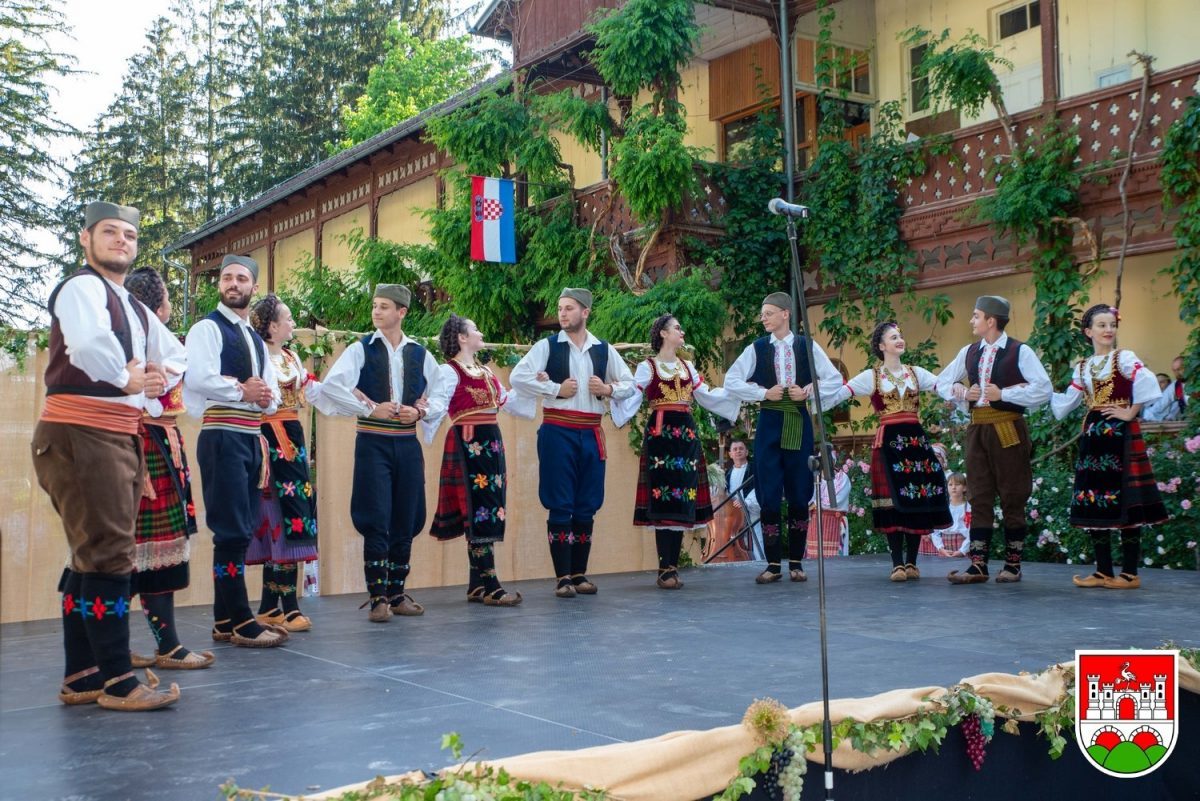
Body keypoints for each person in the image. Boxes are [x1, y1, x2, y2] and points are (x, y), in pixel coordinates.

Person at [32, 201, 181, 709]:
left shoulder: (136, 308)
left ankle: (84, 675)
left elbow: (174, 355)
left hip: (116, 434)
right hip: (81, 432)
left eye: (129, 235)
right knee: (109, 552)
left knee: (92, 552)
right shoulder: (81, 288)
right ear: (85, 239)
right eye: (110, 232)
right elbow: (89, 343)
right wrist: (126, 377)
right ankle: (118, 681)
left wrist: (157, 378)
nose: (121, 241)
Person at [319, 284, 445, 621]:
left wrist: (420, 412)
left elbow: (444, 389)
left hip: (406, 443)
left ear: (401, 312)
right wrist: (370, 408)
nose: (377, 312)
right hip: (373, 443)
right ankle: (378, 599)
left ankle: (397, 593)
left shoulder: (419, 353)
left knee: (406, 516)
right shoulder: (362, 349)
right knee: (376, 516)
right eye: (375, 306)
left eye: (385, 306)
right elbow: (333, 385)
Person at [184, 254, 288, 647]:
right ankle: (243, 620)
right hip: (223, 435)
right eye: (227, 277)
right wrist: (242, 390)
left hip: (249, 436)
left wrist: (260, 395)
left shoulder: (254, 339)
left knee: (240, 530)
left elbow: (273, 394)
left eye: (241, 278)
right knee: (230, 530)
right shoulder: (206, 329)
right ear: (219, 285)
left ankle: (224, 620)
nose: (232, 283)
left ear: (253, 287)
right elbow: (199, 376)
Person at [509, 287, 636, 597]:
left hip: (591, 432)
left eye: (569, 308)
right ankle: (563, 578)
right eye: (560, 308)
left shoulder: (603, 350)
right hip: (557, 431)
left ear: (585, 313)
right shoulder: (547, 346)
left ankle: (579, 574)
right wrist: (555, 389)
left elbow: (630, 384)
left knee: (586, 505)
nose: (562, 313)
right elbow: (517, 377)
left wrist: (606, 389)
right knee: (560, 504)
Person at [723, 291, 844, 585]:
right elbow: (731, 380)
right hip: (769, 420)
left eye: (768, 313)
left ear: (785, 314)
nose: (763, 318)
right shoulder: (758, 348)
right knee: (770, 493)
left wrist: (808, 391)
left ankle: (797, 563)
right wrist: (763, 393)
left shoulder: (806, 346)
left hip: (799, 421)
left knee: (800, 490)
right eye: (763, 313)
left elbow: (834, 379)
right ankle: (774, 564)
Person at [123, 267, 211, 670]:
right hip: (146, 447)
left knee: (140, 548)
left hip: (157, 446)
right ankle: (166, 646)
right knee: (145, 546)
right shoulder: (143, 348)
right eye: (169, 299)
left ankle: (138, 645)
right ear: (159, 306)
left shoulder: (150, 346)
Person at [613, 314, 740, 589]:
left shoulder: (687, 366)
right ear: (663, 334)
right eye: (677, 328)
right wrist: (611, 392)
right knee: (663, 499)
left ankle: (672, 568)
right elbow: (632, 394)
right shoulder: (648, 367)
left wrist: (734, 394)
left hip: (686, 435)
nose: (681, 331)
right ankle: (664, 569)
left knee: (682, 498)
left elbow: (705, 394)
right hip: (661, 435)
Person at [935, 295, 1052, 584]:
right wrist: (963, 393)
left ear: (991, 320)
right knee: (979, 495)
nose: (971, 320)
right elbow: (941, 382)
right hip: (977, 430)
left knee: (1013, 495)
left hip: (1008, 428)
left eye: (976, 316)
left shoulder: (1018, 351)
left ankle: (1013, 565)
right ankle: (978, 565)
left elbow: (1044, 389)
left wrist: (1005, 395)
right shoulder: (969, 352)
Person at [1050, 304, 1168, 589]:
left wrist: (1130, 412)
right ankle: (1103, 570)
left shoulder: (1124, 358)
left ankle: (1129, 573)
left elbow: (1147, 380)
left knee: (1125, 498)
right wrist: (1036, 389)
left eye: (1112, 324)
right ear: (1088, 331)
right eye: (1101, 325)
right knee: (1095, 498)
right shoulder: (1083, 367)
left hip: (1120, 437)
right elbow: (1066, 402)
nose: (1108, 330)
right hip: (1093, 439)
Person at [825, 322, 952, 580]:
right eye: (894, 337)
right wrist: (816, 397)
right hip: (889, 443)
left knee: (917, 497)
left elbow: (945, 387)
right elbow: (840, 394)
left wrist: (963, 392)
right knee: (893, 500)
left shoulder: (916, 373)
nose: (900, 340)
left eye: (900, 336)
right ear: (882, 346)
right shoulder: (871, 377)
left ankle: (912, 562)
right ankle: (897, 563)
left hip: (916, 443)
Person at [427, 314, 528, 606]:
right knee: (478, 510)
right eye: (475, 329)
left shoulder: (485, 372)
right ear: (461, 337)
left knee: (489, 507)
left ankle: (476, 584)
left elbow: (508, 401)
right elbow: (438, 403)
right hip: (469, 444)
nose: (480, 332)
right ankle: (492, 585)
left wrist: (538, 388)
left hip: (491, 444)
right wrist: (423, 411)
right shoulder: (449, 372)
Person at [247, 294, 325, 631]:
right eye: (288, 318)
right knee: (277, 516)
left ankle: (272, 604)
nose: (293, 323)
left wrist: (357, 396)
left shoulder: (292, 358)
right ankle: (285, 605)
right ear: (273, 325)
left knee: (296, 513)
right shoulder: (257, 357)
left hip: (293, 438)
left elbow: (314, 389)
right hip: (269, 440)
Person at [725, 439, 762, 560]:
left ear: (746, 452)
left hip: (750, 511)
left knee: (755, 538)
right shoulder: (727, 473)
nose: (738, 451)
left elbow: (760, 487)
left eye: (741, 448)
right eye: (735, 449)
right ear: (730, 454)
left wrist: (746, 502)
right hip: (734, 514)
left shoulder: (754, 470)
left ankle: (758, 561)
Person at [807, 457, 850, 559]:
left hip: (834, 521)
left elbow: (835, 501)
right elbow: (808, 499)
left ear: (833, 462)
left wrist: (816, 504)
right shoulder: (815, 477)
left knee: (835, 560)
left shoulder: (842, 478)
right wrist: (814, 504)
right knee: (813, 558)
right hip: (815, 522)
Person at [928, 473, 971, 558]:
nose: (953, 487)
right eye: (950, 484)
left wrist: (962, 550)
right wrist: (940, 548)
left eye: (957, 484)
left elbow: (971, 531)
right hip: (944, 546)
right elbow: (935, 530)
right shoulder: (942, 507)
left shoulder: (968, 507)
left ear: (965, 487)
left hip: (962, 545)